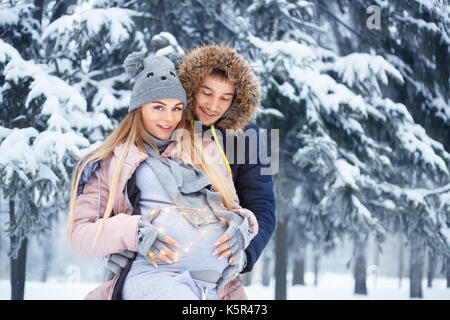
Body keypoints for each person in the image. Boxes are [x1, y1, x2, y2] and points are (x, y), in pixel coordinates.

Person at [67, 53, 258, 300]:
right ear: (139, 108)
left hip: (216, 288)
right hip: (156, 277)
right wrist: (131, 232)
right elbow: (78, 235)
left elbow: (233, 209)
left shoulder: (204, 149)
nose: (169, 118)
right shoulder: (110, 162)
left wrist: (243, 226)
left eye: (176, 108)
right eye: (158, 107)